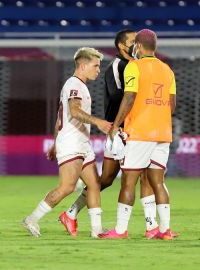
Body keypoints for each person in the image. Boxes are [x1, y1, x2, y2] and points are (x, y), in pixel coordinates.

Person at [59, 30, 165, 239]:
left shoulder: (138, 67)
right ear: (121, 46)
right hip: (119, 132)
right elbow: (121, 99)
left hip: (136, 131)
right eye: (132, 42)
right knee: (105, 180)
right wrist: (118, 126)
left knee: (142, 176)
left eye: (137, 41)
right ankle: (71, 213)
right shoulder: (117, 67)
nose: (136, 44)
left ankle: (152, 227)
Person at [23, 47, 111, 238]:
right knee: (67, 187)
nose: (98, 69)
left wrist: (55, 143)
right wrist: (99, 122)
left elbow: (59, 118)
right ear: (82, 65)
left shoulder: (80, 85)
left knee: (94, 184)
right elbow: (74, 111)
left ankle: (96, 231)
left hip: (80, 143)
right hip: (72, 143)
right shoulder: (74, 84)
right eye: (95, 66)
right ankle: (32, 219)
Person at [100, 29, 176, 240]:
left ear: (139, 47)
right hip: (163, 133)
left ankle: (121, 230)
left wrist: (116, 125)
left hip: (141, 132)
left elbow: (129, 96)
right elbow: (172, 105)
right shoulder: (167, 70)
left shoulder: (134, 66)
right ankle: (164, 230)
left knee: (128, 181)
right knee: (157, 183)